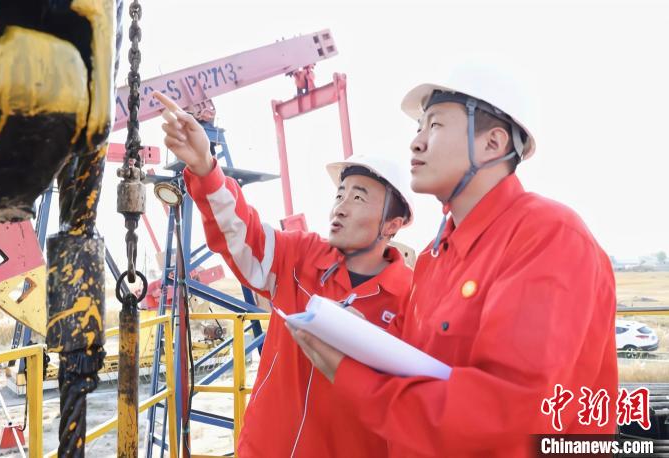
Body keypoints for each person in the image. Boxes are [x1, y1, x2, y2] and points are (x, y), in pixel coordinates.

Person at [289, 68, 618, 457]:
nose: (416, 142)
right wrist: (362, 338)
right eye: (419, 128)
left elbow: (509, 411)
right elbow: (420, 361)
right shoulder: (433, 258)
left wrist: (354, 377)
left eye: (435, 125)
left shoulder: (547, 236)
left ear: (492, 143)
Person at [153, 91, 415, 457]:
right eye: (340, 194)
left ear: (393, 224)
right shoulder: (300, 257)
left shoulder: (411, 303)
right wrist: (204, 166)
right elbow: (242, 234)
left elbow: (414, 408)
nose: (340, 208)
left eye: (358, 198)